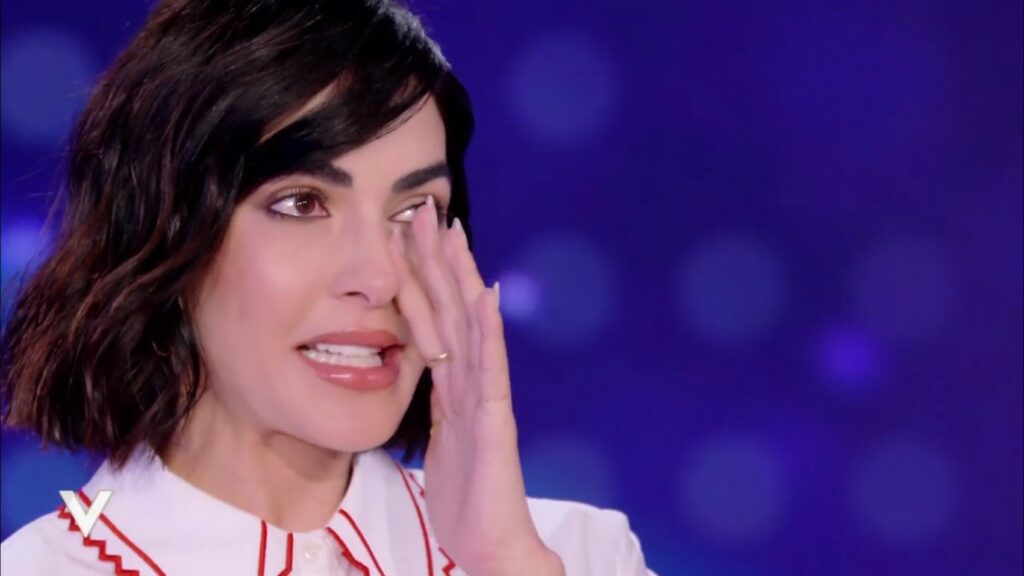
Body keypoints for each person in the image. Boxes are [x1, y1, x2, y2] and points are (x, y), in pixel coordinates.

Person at [0, 1, 655, 574]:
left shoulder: (576, 555)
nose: (379, 280)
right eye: (302, 204)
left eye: (415, 209)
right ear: (165, 229)